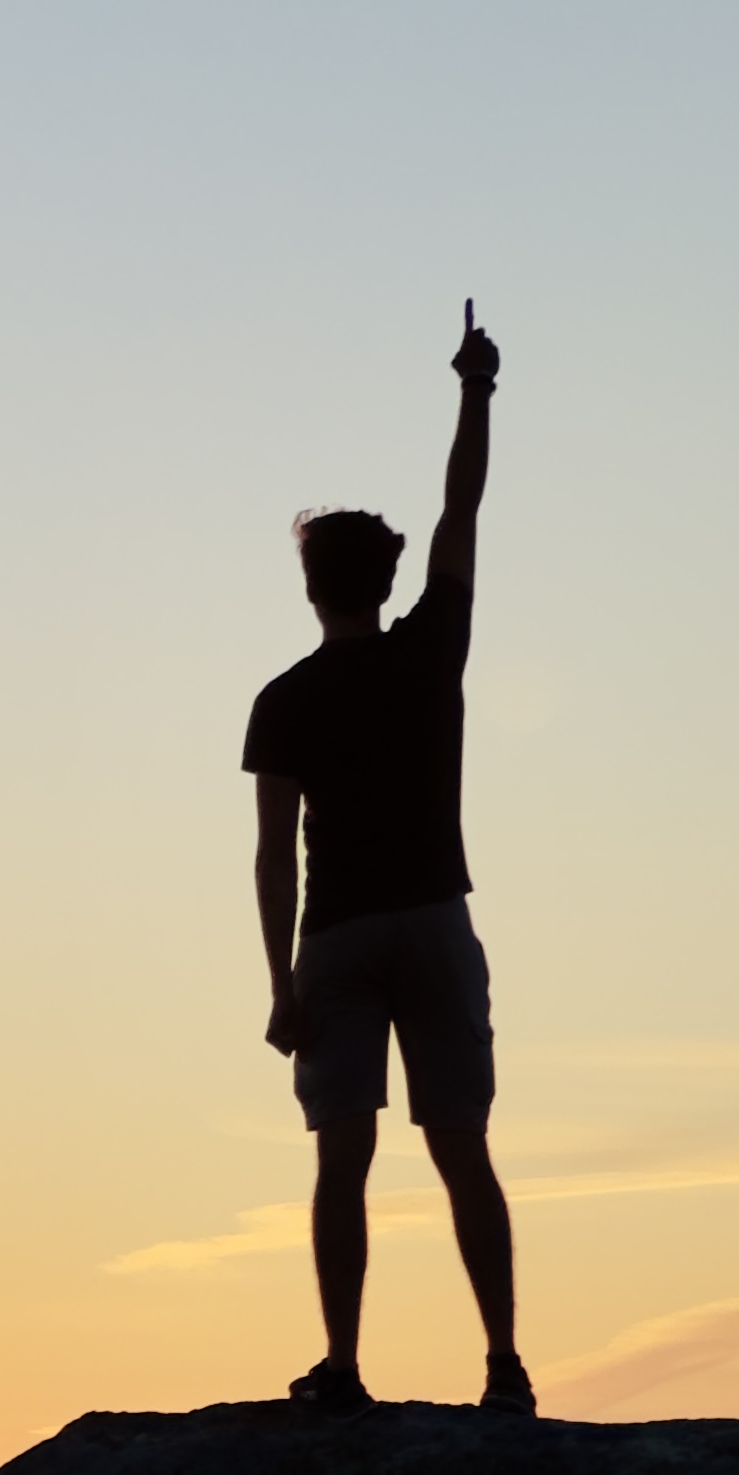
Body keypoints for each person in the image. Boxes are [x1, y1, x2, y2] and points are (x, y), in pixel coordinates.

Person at [242, 303, 533, 1418]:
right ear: (387, 575)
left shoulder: (284, 700)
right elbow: (464, 505)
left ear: (313, 585)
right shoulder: (430, 651)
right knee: (463, 1148)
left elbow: (274, 859)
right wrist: (476, 390)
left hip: (340, 937)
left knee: (342, 1159)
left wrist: (280, 985)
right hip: (436, 921)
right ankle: (503, 1365)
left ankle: (343, 1368)